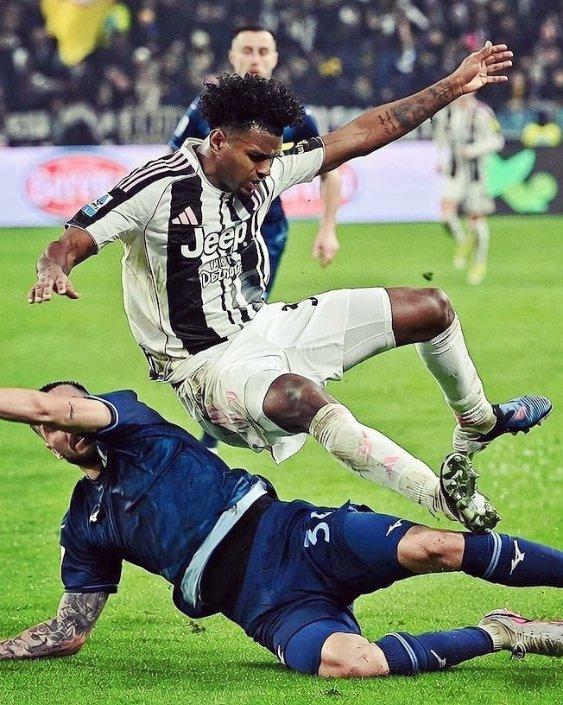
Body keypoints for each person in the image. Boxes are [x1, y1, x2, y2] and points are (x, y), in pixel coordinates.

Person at [28, 42, 551, 528]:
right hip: (204, 368)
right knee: (303, 399)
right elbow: (73, 238)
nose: (266, 170)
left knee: (431, 307)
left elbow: (366, 131)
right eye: (256, 157)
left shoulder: (268, 167)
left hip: (264, 325)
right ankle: (442, 496)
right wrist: (55, 268)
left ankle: (477, 421)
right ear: (217, 141)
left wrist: (453, 86)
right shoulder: (159, 186)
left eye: (272, 158)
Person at [0, 381, 561, 677]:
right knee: (350, 663)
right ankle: (503, 632)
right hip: (261, 606)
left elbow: (59, 411)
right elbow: (70, 629)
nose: (60, 423)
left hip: (294, 535)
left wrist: (49, 408)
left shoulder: (133, 424)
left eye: (66, 410)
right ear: (46, 444)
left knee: (435, 546)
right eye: (46, 426)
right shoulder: (84, 523)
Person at [169, 24, 342, 451]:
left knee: (247, 318)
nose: (255, 58)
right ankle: (234, 411)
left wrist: (328, 228)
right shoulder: (206, 108)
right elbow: (173, 163)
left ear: (275, 58)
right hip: (211, 232)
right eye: (247, 50)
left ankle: (233, 417)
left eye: (263, 51)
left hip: (266, 232)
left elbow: (330, 168)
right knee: (210, 322)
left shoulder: (291, 113)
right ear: (233, 57)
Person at [433, 93, 505, 284]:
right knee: (445, 216)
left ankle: (479, 263)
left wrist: (473, 150)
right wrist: (440, 159)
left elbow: (497, 140)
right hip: (454, 171)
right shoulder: (446, 113)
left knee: (476, 221)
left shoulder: (482, 112)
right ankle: (463, 242)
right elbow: (440, 138)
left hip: (476, 174)